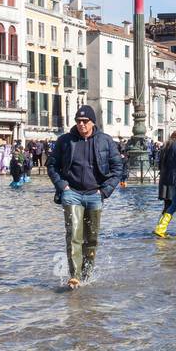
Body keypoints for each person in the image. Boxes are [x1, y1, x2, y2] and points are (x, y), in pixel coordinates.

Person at [48, 105, 125, 288]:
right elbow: (52, 166)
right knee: (74, 234)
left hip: (95, 195)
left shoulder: (105, 141)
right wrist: (62, 186)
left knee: (91, 239)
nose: (81, 125)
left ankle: (86, 276)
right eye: (78, 121)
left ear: (92, 122)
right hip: (71, 193)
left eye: (85, 121)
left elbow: (117, 168)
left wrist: (105, 190)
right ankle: (74, 276)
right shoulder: (65, 141)